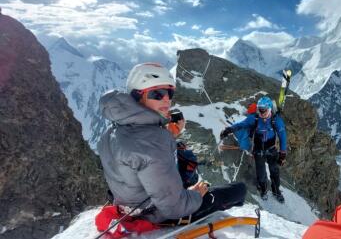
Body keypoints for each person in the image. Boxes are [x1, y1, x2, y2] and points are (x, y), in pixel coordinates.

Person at [97, 62, 246, 225]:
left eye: (169, 92)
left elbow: (140, 157)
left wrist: (169, 136)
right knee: (238, 190)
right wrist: (196, 194)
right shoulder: (154, 141)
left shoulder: (110, 132)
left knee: (183, 157)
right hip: (157, 214)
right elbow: (175, 208)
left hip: (128, 204)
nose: (167, 99)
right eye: (157, 94)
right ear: (137, 96)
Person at [220, 96, 287, 202]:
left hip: (271, 149)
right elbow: (241, 125)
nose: (262, 113)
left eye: (264, 111)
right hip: (258, 150)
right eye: (260, 110)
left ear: (269, 109)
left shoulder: (276, 120)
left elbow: (283, 136)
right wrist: (229, 129)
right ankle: (263, 190)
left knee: (274, 172)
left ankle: (276, 191)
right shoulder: (254, 118)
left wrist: (282, 153)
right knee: (261, 173)